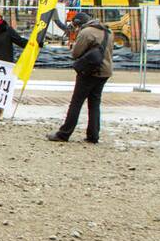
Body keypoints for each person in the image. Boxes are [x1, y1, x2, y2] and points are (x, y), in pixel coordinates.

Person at [47, 12, 114, 144]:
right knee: (94, 104)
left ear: (79, 23)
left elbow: (76, 53)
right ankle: (93, 135)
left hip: (89, 72)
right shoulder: (108, 31)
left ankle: (64, 133)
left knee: (76, 103)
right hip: (105, 71)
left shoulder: (86, 32)